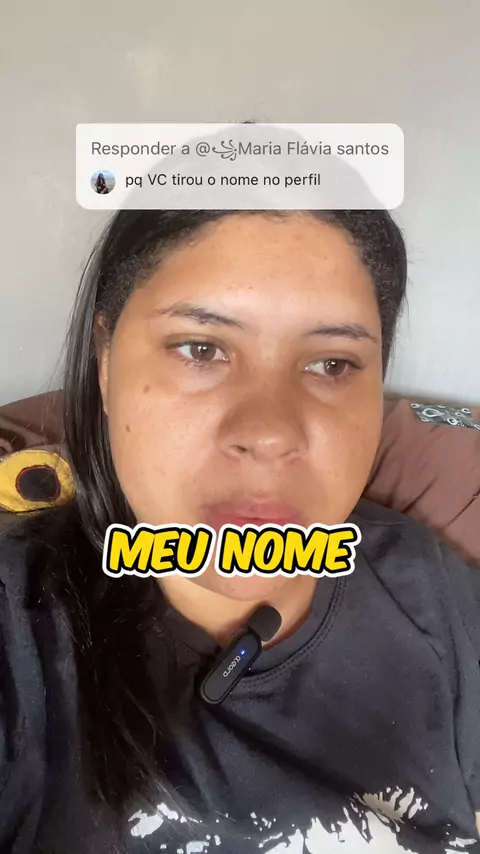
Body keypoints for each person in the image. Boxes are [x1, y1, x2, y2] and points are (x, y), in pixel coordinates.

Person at [1, 208, 480, 854]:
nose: (269, 433)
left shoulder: (428, 589)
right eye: (201, 349)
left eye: (332, 364)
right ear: (106, 363)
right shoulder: (18, 631)